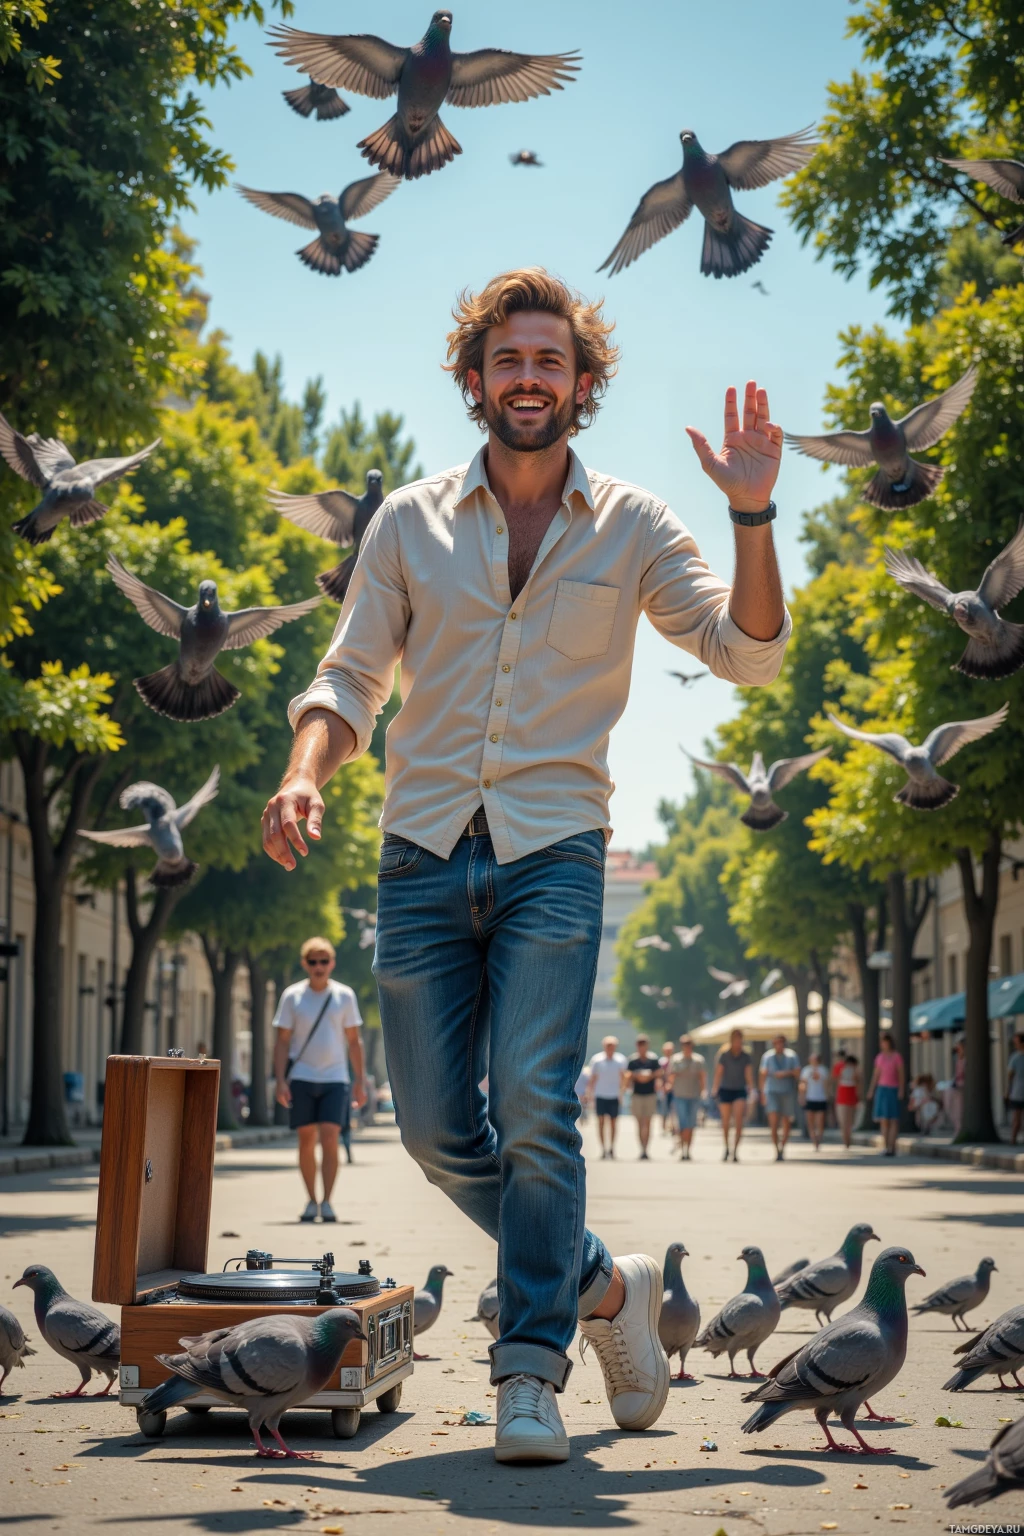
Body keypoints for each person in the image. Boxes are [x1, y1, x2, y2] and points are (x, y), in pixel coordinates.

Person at [261, 266, 790, 1463]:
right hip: (421, 848)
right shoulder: (406, 523)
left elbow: (746, 657)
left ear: (583, 383)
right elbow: (348, 681)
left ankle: (529, 1370)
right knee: (440, 1131)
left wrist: (751, 515)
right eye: (508, 360)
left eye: (550, 361)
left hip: (557, 849)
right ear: (473, 379)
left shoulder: (638, 525)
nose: (528, 379)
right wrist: (304, 771)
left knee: (537, 1111)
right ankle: (607, 1286)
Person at [272, 937, 367, 1222]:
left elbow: (354, 1041)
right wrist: (279, 1079)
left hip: (336, 1079)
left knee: (330, 1137)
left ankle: (327, 1202)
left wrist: (360, 1080)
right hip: (301, 1077)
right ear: (305, 964)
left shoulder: (344, 996)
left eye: (323, 961)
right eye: (313, 961)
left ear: (332, 963)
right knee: (305, 1139)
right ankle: (311, 1201)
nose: (318, 966)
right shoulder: (292, 996)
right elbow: (282, 1041)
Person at [712, 1029, 755, 1162]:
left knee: (738, 1121)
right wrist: (715, 1088)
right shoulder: (724, 1055)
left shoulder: (745, 1056)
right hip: (725, 1089)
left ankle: (735, 1150)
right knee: (725, 1121)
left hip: (739, 1090)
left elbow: (748, 1074)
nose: (738, 1042)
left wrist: (752, 1089)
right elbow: (719, 1073)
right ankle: (726, 1147)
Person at [759, 1033, 801, 1161]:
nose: (779, 1046)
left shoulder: (791, 1056)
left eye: (781, 1043)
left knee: (786, 1121)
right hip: (771, 1091)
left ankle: (783, 1146)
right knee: (773, 1121)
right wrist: (762, 1093)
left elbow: (797, 1072)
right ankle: (776, 1149)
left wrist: (785, 1073)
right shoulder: (767, 1056)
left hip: (787, 1091)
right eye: (776, 1043)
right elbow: (762, 1074)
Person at [589, 1035, 628, 1159]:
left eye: (612, 1046)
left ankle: (611, 1148)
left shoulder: (620, 1060)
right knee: (600, 1122)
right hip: (600, 1094)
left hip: (614, 1095)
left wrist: (622, 1093)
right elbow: (593, 1079)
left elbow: (624, 1078)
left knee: (613, 1122)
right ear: (604, 1046)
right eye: (608, 1045)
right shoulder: (597, 1060)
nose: (610, 1048)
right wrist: (590, 1095)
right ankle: (603, 1149)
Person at [669, 1034, 706, 1160]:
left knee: (691, 1124)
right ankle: (682, 1148)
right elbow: (671, 1077)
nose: (687, 1047)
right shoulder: (676, 1059)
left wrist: (703, 1091)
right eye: (685, 1044)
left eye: (689, 1044)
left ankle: (687, 1150)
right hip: (680, 1095)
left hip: (694, 1095)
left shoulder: (698, 1060)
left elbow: (702, 1077)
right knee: (682, 1123)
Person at [868, 1032, 905, 1156]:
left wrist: (901, 1089)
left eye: (885, 1041)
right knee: (884, 1119)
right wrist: (871, 1090)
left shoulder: (896, 1056)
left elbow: (901, 1074)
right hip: (882, 1089)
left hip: (893, 1089)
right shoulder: (880, 1057)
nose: (883, 1044)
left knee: (893, 1119)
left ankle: (892, 1146)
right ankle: (885, 1145)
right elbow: (876, 1075)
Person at [625, 1035, 659, 1160]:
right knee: (639, 1123)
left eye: (644, 1044)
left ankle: (646, 1148)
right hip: (637, 1095)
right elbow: (627, 1075)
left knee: (648, 1123)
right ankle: (641, 1149)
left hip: (650, 1094)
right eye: (640, 1044)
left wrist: (649, 1076)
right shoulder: (632, 1061)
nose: (642, 1046)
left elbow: (659, 1073)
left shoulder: (653, 1059)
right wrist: (636, 1076)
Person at [799, 1050, 830, 1151]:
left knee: (820, 1121)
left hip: (821, 1098)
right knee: (810, 1122)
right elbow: (802, 1084)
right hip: (810, 1098)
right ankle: (814, 1140)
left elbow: (826, 1084)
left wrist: (827, 1095)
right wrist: (802, 1096)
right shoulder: (806, 1070)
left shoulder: (823, 1070)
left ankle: (819, 1138)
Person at [833, 1051, 861, 1149]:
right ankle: (846, 1140)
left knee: (850, 1121)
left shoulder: (856, 1070)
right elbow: (835, 1079)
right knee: (843, 1120)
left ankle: (848, 1139)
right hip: (841, 1097)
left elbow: (858, 1083)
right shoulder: (839, 1067)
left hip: (852, 1097)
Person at [1007, 1032, 1024, 1145]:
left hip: (1018, 1092)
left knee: (1017, 1119)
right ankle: (1013, 1139)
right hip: (1017, 1092)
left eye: (1016, 1042)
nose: (1015, 1044)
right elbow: (1010, 1076)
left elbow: (1010, 1076)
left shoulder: (1015, 1058)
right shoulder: (1015, 1057)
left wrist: (1007, 1091)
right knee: (1016, 1119)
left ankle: (1015, 1140)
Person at [657, 1039, 676, 1136]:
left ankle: (673, 1126)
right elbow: (659, 1075)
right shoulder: (661, 1062)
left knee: (673, 1108)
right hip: (663, 1088)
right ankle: (663, 1126)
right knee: (663, 1108)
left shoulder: (675, 1060)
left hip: (674, 1089)